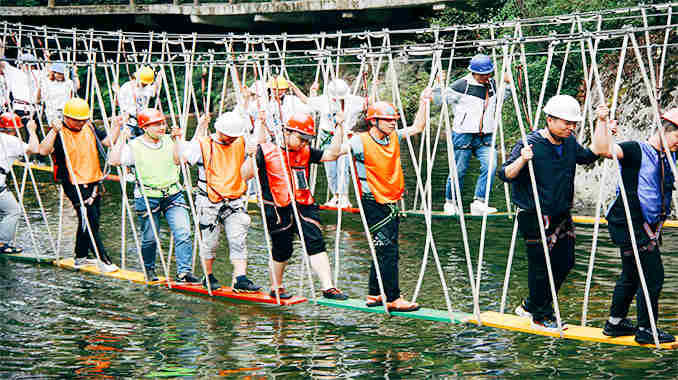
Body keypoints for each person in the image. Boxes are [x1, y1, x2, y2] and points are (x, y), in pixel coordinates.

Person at [498, 95, 607, 331]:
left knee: (566, 262)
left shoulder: (568, 142)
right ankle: (540, 315)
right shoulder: (529, 144)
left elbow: (591, 155)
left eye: (573, 123)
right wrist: (522, 161)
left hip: (560, 214)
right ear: (549, 120)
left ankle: (531, 305)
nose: (571, 127)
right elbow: (505, 174)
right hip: (534, 214)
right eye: (566, 123)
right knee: (540, 267)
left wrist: (601, 122)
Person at [340, 88, 432, 312]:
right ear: (374, 121)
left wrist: (423, 101)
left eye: (394, 120)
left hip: (389, 201)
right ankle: (393, 298)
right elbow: (333, 153)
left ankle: (374, 293)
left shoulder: (393, 138)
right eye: (388, 120)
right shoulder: (358, 142)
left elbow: (417, 127)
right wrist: (338, 129)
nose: (393, 124)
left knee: (383, 248)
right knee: (388, 250)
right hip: (372, 202)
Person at [598, 105, 676, 344]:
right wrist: (602, 123)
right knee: (653, 275)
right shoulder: (635, 150)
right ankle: (645, 329)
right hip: (629, 222)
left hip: (644, 225)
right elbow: (602, 149)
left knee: (632, 273)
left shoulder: (670, 156)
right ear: (665, 130)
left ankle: (615, 323)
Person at [255, 112, 348, 301]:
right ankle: (276, 287)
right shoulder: (264, 151)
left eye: (307, 140)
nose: (304, 143)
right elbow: (245, 174)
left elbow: (332, 154)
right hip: (277, 207)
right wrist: (250, 154)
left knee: (316, 241)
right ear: (287, 132)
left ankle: (328, 288)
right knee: (282, 249)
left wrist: (339, 128)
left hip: (304, 204)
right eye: (301, 139)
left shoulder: (305, 151)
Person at [109, 108, 198, 283]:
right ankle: (149, 269)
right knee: (150, 237)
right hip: (147, 196)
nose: (162, 127)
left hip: (173, 194)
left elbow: (181, 159)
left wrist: (179, 139)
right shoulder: (133, 146)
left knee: (184, 232)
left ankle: (184, 272)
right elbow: (114, 161)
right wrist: (122, 137)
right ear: (144, 127)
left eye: (163, 123)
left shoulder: (170, 140)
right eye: (156, 125)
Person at [182, 111, 261, 292]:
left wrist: (251, 154)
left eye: (235, 137)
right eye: (229, 136)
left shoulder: (241, 142)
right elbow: (185, 159)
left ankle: (240, 278)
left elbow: (249, 171)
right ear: (219, 131)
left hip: (234, 199)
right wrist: (199, 129)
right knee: (210, 242)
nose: (232, 139)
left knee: (238, 239)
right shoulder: (203, 144)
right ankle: (208, 276)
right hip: (209, 199)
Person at [37, 98, 118, 272]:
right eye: (77, 120)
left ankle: (80, 257)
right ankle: (103, 259)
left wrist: (117, 126)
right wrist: (53, 131)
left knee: (90, 220)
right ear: (66, 117)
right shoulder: (59, 132)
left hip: (93, 180)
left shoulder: (89, 127)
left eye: (83, 119)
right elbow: (42, 151)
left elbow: (108, 142)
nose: (81, 123)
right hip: (73, 183)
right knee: (90, 219)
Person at [433, 54, 511, 216]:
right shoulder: (461, 85)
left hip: (486, 136)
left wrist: (508, 83)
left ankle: (479, 202)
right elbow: (439, 101)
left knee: (491, 166)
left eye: (488, 74)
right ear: (473, 72)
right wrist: (438, 84)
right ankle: (450, 202)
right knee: (459, 170)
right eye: (482, 74)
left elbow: (505, 97)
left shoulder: (493, 86)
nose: (485, 77)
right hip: (464, 135)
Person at [306, 78, 365, 208]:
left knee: (343, 167)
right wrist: (305, 90)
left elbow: (368, 103)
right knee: (330, 169)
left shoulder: (354, 101)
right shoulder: (323, 100)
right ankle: (336, 196)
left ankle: (344, 197)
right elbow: (308, 102)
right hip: (327, 137)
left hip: (345, 136)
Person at [0, 112, 39, 254]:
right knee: (12, 211)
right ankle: (2, 243)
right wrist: (32, 131)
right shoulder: (10, 141)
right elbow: (35, 149)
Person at [116, 66, 159, 138]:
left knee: (142, 143)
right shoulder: (127, 87)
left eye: (146, 83)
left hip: (142, 121)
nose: (144, 85)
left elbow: (154, 90)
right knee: (128, 143)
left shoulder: (147, 88)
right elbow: (118, 102)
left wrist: (159, 76)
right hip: (128, 121)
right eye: (143, 83)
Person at [36, 62, 80, 127]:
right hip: (52, 111)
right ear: (53, 73)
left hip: (65, 111)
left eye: (61, 74)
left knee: (65, 129)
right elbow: (39, 96)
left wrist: (75, 73)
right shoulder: (48, 83)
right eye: (57, 73)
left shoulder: (67, 82)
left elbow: (77, 87)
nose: (59, 75)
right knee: (55, 128)